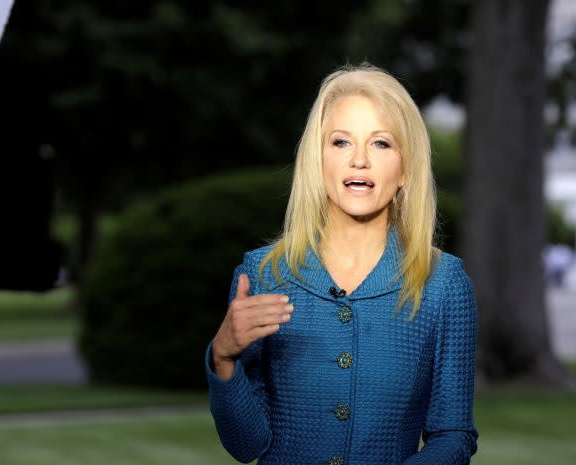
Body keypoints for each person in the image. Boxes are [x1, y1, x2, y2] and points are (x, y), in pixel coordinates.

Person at [205, 64, 478, 465]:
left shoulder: (444, 284)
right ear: (318, 159)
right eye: (341, 142)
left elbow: (453, 435)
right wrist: (223, 357)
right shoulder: (261, 274)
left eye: (381, 144)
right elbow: (246, 446)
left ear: (405, 170)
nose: (360, 161)